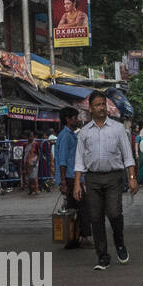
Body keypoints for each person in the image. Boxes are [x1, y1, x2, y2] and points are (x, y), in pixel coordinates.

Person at [73, 90, 138, 270]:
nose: (102, 108)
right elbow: (79, 160)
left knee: (115, 213)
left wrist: (132, 178)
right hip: (92, 178)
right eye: (98, 105)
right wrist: (77, 183)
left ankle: (119, 243)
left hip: (114, 178)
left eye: (103, 104)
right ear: (90, 109)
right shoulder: (84, 133)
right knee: (95, 217)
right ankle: (102, 255)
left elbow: (128, 157)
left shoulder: (118, 130)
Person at [54, 106, 85, 249]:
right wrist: (64, 182)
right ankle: (76, 237)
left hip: (72, 176)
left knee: (75, 209)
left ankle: (74, 237)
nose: (77, 120)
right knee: (80, 208)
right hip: (70, 177)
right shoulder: (66, 135)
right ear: (67, 119)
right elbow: (62, 161)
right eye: (75, 118)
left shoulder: (69, 134)